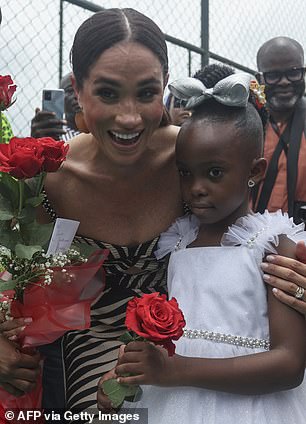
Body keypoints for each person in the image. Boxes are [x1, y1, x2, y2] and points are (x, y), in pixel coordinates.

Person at [15, 8, 304, 410]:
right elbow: (17, 278)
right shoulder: (50, 179)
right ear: (77, 91)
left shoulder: (193, 161)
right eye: (108, 93)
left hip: (196, 347)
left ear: (165, 87)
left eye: (147, 93)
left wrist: (295, 280)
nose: (129, 117)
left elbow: (247, 248)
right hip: (92, 344)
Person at [98, 69, 306, 423]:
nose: (195, 187)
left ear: (254, 171)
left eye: (214, 173)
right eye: (185, 172)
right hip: (174, 402)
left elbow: (289, 365)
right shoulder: (177, 241)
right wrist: (128, 373)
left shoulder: (274, 246)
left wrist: (173, 372)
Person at [253, 37, 306, 224]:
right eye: (273, 75)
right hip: (245, 238)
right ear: (259, 78)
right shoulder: (243, 124)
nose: (284, 82)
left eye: (293, 72)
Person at [31, 72, 80, 141]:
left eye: (81, 89)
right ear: (61, 97)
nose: (77, 96)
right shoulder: (50, 132)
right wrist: (35, 143)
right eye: (70, 90)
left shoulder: (97, 131)